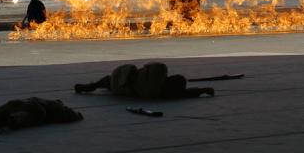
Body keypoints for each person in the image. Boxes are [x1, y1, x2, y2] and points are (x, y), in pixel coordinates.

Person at [74, 62, 215, 99]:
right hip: (124, 90)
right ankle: (93, 86)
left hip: (123, 76)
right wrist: (203, 90)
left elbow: (147, 65)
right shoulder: (162, 94)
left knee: (109, 80)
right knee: (110, 83)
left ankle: (92, 86)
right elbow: (186, 93)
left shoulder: (160, 70)